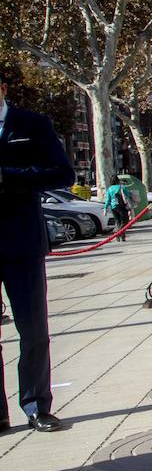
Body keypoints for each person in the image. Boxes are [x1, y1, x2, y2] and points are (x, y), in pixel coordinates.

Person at [0, 68, 74, 433]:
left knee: (33, 329)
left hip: (21, 242)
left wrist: (9, 176)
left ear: (3, 88)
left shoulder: (31, 124)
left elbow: (63, 174)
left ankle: (36, 404)